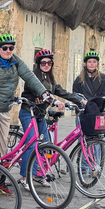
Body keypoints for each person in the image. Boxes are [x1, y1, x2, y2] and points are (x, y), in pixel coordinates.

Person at [0, 34, 48, 158]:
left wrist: (44, 92)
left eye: (11, 48)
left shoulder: (15, 61)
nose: (8, 51)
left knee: (2, 151)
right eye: (5, 48)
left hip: (5, 108)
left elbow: (29, 76)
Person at [18, 49, 84, 191]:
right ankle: (25, 178)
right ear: (38, 64)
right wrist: (54, 101)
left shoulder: (51, 80)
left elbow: (63, 92)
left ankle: (39, 175)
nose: (46, 65)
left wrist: (80, 101)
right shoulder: (32, 78)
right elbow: (41, 93)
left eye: (49, 62)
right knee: (32, 145)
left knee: (46, 145)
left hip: (40, 115)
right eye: (43, 62)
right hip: (28, 113)